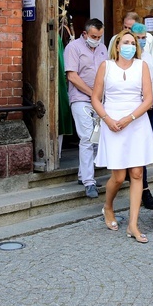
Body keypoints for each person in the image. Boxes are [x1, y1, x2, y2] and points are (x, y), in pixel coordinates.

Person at [92, 29, 153, 243]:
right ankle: (108, 206)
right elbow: (95, 98)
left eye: (133, 42)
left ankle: (133, 224)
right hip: (111, 122)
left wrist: (130, 118)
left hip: (136, 122)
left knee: (137, 173)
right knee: (119, 176)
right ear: (118, 45)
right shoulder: (106, 66)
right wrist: (107, 119)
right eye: (126, 42)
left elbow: (148, 99)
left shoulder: (142, 66)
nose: (130, 45)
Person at [108, 13, 153, 210]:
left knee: (141, 152)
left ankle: (143, 190)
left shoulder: (149, 41)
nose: (133, 39)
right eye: (128, 30)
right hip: (123, 106)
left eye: (136, 34)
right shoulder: (117, 41)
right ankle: (122, 193)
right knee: (124, 156)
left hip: (146, 105)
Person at [64, 18, 108, 198]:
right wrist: (92, 93)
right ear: (85, 34)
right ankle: (89, 182)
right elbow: (72, 76)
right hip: (81, 99)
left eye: (99, 36)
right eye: (93, 36)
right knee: (87, 138)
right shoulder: (73, 48)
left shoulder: (103, 49)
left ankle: (83, 175)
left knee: (96, 139)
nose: (96, 39)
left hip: (99, 100)